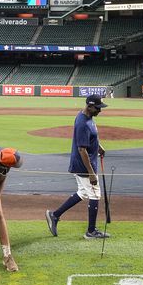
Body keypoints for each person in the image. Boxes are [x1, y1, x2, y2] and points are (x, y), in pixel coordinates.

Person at [46, 95, 109, 239]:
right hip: (83, 166)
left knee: (83, 192)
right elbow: (82, 149)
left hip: (84, 164)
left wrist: (98, 146)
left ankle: (54, 215)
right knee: (94, 194)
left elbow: (88, 139)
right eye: (98, 108)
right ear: (90, 106)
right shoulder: (83, 123)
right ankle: (91, 231)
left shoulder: (87, 117)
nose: (100, 111)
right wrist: (91, 173)